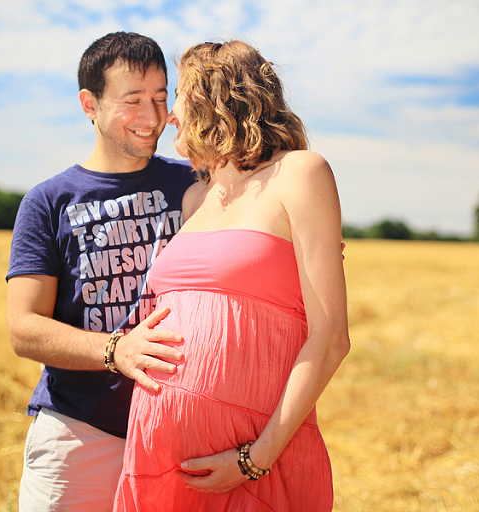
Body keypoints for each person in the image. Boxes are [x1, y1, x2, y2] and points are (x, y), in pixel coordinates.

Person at [114, 40, 350, 511]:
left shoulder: (299, 173)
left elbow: (330, 339)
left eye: (176, 94)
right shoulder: (195, 199)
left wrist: (254, 459)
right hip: (159, 452)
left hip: (255, 462)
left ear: (213, 95)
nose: (170, 115)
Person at [6, 32, 196, 512]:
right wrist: (117, 350)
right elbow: (24, 329)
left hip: (179, 436)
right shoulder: (48, 202)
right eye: (132, 100)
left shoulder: (196, 184)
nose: (152, 117)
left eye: (160, 98)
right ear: (89, 104)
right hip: (78, 434)